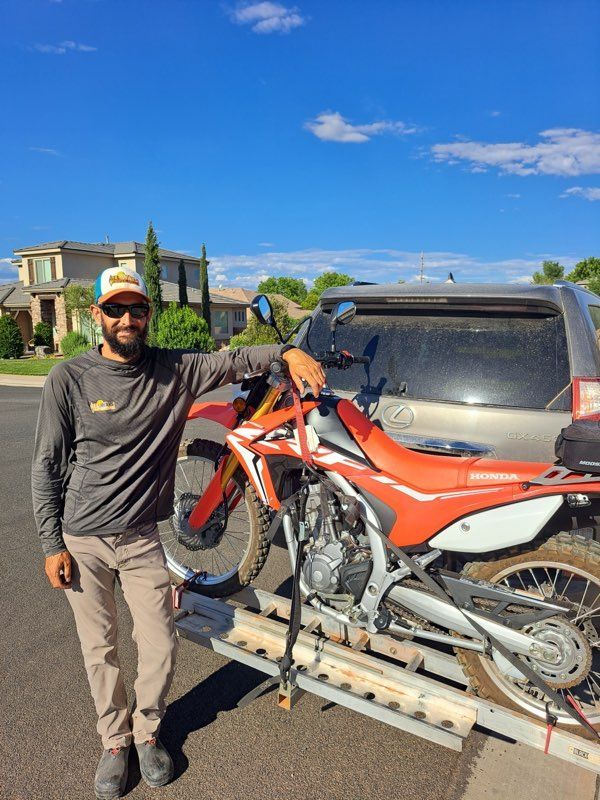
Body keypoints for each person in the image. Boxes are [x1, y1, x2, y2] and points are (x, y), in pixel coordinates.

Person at [32, 266, 325, 800]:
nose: (126, 319)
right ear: (97, 314)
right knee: (100, 647)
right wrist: (52, 544)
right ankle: (115, 742)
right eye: (115, 309)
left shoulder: (174, 371)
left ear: (149, 315)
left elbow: (232, 359)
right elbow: (47, 466)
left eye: (136, 309)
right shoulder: (68, 379)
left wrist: (285, 353)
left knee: (160, 642)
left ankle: (148, 731)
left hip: (143, 538)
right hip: (84, 539)